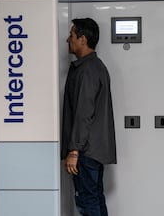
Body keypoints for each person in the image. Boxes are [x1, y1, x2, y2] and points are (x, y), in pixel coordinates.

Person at [61, 17, 117, 216]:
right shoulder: (94, 66)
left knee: (87, 201)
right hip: (93, 149)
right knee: (94, 198)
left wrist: (74, 151)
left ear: (83, 39)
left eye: (72, 35)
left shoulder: (86, 71)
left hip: (85, 151)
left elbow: (84, 113)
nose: (68, 40)